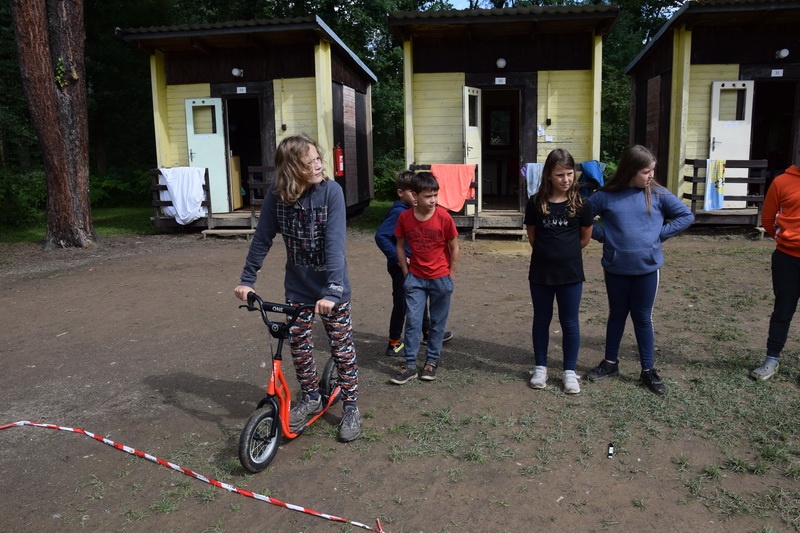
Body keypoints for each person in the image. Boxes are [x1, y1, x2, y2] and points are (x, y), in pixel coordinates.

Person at [234, 134, 361, 442]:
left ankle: (351, 407)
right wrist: (247, 279)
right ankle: (311, 397)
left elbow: (334, 244)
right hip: (298, 287)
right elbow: (262, 239)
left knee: (341, 347)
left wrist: (333, 290)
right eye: (309, 163)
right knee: (299, 344)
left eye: (318, 159)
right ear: (292, 169)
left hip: (332, 288)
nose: (318, 166)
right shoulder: (276, 197)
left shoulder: (331, 192)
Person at [585, 145, 694, 395]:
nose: (651, 175)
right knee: (617, 315)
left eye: (652, 170)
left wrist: (658, 236)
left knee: (643, 318)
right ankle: (610, 363)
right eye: (646, 171)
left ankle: (648, 370)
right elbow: (583, 216)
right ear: (630, 171)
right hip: (616, 268)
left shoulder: (658, 194)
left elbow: (685, 216)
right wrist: (604, 237)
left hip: (647, 269)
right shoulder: (605, 196)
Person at [524, 149, 593, 394]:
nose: (565, 179)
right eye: (560, 175)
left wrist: (565, 253)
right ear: (549, 176)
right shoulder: (535, 202)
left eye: (569, 174)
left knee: (570, 321)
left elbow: (584, 238)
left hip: (570, 274)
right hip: (541, 273)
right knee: (541, 320)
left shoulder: (583, 204)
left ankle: (569, 372)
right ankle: (540, 367)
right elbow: (533, 236)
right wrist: (549, 253)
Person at [390, 172, 460, 384]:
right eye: (428, 196)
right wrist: (405, 271)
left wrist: (451, 275)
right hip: (416, 279)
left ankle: (431, 362)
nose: (433, 200)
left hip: (441, 279)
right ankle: (410, 364)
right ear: (415, 195)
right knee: (413, 321)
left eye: (435, 195)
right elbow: (399, 245)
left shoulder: (444, 217)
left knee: (437, 323)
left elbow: (454, 247)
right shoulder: (404, 218)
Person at [374, 170, 451, 357]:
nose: (416, 197)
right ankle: (393, 342)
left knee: (419, 299)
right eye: (411, 192)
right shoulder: (399, 212)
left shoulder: (413, 212)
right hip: (401, 267)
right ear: (401, 193)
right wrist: (398, 259)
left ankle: (427, 332)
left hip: (414, 267)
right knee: (402, 303)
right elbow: (381, 236)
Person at [751, 161, 800, 380]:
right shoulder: (781, 182)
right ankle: (772, 359)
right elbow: (768, 220)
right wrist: (788, 240)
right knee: (783, 311)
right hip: (787, 259)